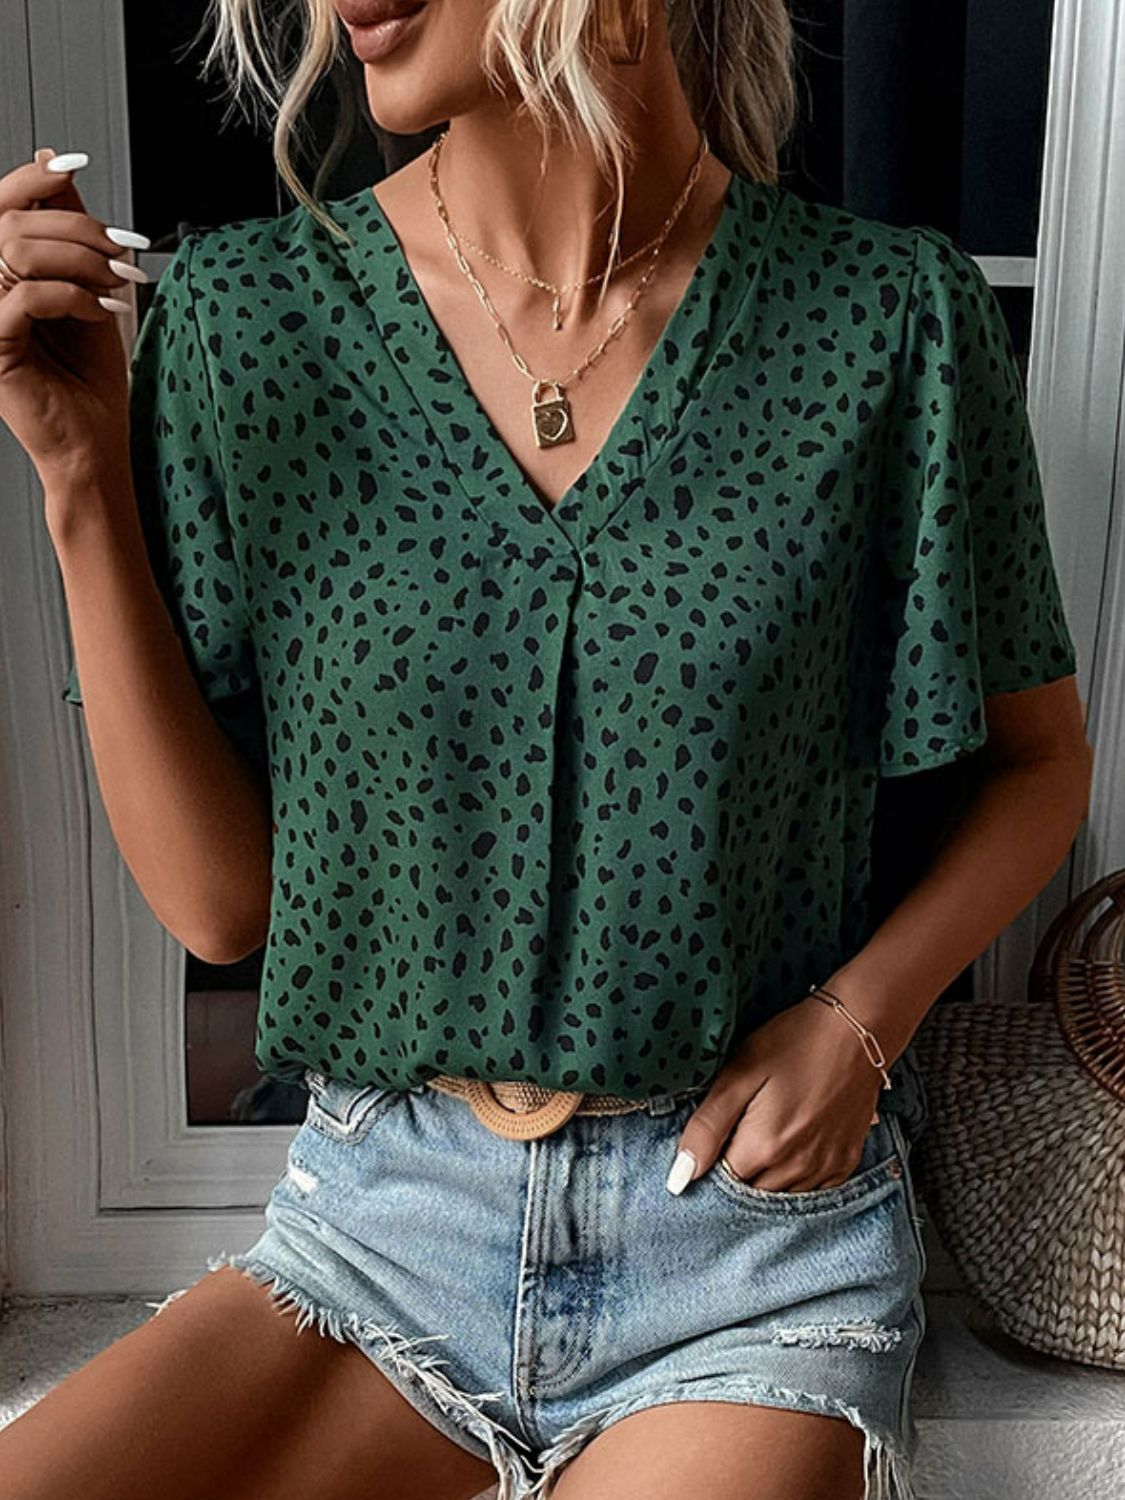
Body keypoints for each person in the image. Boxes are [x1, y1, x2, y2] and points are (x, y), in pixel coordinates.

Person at [0, 1, 1092, 1497]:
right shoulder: (246, 319)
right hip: (379, 1226)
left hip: (743, 1246)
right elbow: (220, 906)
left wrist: (860, 1020)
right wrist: (79, 478)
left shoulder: (885, 319)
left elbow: (1038, 767)